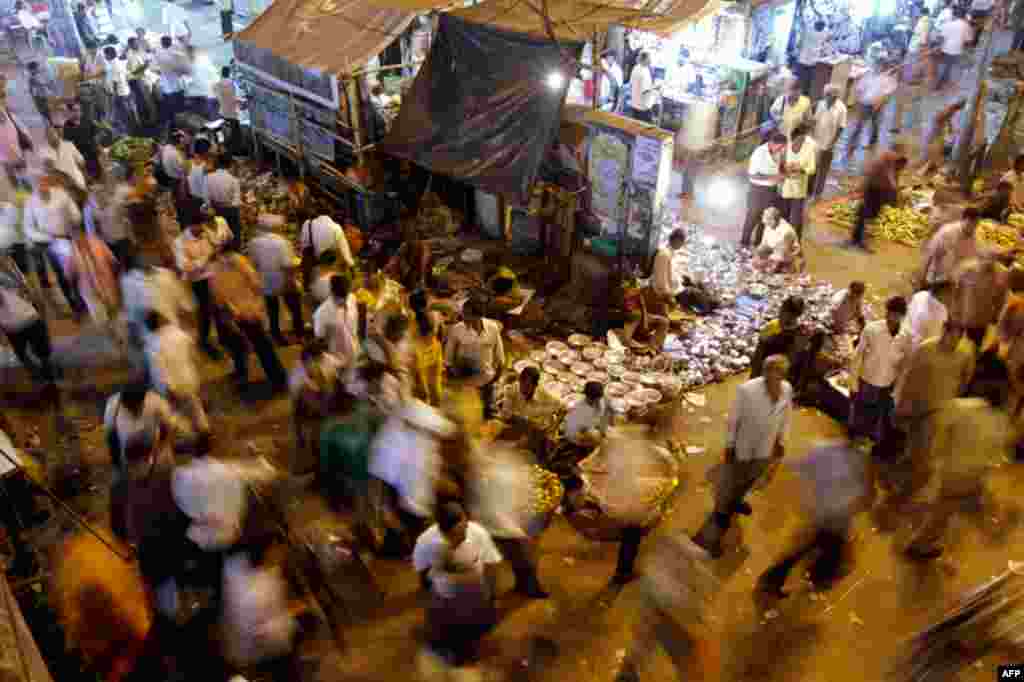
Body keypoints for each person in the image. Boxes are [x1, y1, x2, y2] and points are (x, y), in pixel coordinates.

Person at [692, 354, 792, 558]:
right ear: (765, 372)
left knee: (751, 478)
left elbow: (786, 416)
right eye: (771, 372)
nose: (775, 377)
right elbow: (733, 420)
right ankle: (717, 523)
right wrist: (729, 445)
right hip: (743, 446)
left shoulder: (786, 390)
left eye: (779, 373)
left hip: (764, 449)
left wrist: (781, 440)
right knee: (732, 483)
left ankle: (737, 500)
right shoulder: (747, 390)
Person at [904, 389, 1014, 560]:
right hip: (966, 476)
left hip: (953, 471)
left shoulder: (961, 406)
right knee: (944, 511)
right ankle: (919, 545)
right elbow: (994, 456)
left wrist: (937, 456)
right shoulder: (1001, 421)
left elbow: (940, 430)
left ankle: (922, 540)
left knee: (947, 508)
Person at [756, 440, 868, 597]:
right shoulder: (852, 459)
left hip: (826, 518)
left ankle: (774, 579)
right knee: (819, 552)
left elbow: (801, 466)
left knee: (808, 550)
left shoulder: (827, 450)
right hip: (830, 520)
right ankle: (775, 580)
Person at [613, 531, 720, 682]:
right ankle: (628, 673)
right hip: (666, 610)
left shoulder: (672, 547)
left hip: (658, 607)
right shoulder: (691, 556)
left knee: (643, 644)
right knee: (685, 659)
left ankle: (628, 673)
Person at [889, 319, 976, 500]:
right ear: (943, 331)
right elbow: (910, 379)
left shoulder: (964, 354)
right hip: (918, 407)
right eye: (952, 337)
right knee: (913, 447)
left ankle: (908, 488)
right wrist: (902, 407)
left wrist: (954, 401)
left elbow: (965, 380)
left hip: (939, 411)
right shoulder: (925, 349)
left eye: (958, 339)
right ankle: (903, 481)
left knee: (925, 453)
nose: (954, 343)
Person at [413, 502, 502, 668]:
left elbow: (492, 563)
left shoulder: (477, 533)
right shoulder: (429, 543)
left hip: (471, 597)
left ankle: (465, 650)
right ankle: (457, 654)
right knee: (454, 633)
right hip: (449, 600)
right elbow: (426, 575)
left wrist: (492, 595)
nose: (465, 533)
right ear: (444, 530)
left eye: (466, 527)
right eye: (460, 531)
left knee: (471, 629)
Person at [469, 445, 549, 598]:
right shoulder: (497, 467)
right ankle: (521, 588)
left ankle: (521, 586)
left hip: (498, 521)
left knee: (513, 558)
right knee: (513, 558)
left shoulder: (505, 465)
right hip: (495, 522)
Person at [209, 251, 288, 391]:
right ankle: (277, 379)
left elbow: (219, 298)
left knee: (245, 346)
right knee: (261, 346)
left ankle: (246, 377)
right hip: (247, 312)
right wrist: (257, 305)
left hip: (240, 313)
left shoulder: (216, 269)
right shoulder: (236, 262)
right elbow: (256, 285)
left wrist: (231, 311)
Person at [143, 311, 210, 448]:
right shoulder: (180, 334)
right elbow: (193, 355)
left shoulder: (152, 345)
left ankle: (190, 437)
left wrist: (166, 388)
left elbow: (158, 371)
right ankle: (204, 431)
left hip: (173, 385)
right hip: (190, 378)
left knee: (174, 413)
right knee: (194, 405)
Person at [23, 170, 85, 315]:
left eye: (45, 183)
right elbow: (28, 228)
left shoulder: (61, 194)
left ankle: (80, 298)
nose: (42, 187)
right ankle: (74, 305)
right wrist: (49, 237)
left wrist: (73, 222)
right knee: (61, 275)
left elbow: (75, 214)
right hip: (49, 244)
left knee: (74, 270)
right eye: (39, 185)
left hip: (68, 238)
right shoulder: (30, 202)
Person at [849, 296, 908, 441]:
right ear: (886, 312)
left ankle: (868, 437)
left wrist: (897, 390)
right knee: (860, 412)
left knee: (877, 414)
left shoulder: (905, 337)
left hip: (886, 385)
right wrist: (853, 383)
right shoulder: (872, 329)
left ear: (902, 316)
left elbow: (902, 365)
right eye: (890, 312)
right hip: (867, 381)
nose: (891, 317)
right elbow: (858, 357)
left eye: (896, 314)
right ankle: (855, 436)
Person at [104, 385, 181, 482]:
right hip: (128, 463)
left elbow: (169, 427)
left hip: (158, 456)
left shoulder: (155, 401)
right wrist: (118, 467)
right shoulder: (113, 406)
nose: (134, 412)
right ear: (123, 402)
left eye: (136, 408)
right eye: (130, 409)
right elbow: (110, 439)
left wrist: (158, 450)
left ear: (143, 400)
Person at [247, 214, 303, 345]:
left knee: (273, 311)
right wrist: (291, 282)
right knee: (294, 308)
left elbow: (253, 264)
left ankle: (276, 336)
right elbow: (287, 265)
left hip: (265, 280)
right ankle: (299, 334)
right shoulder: (282, 242)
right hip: (283, 279)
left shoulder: (254, 242)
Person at [445, 298, 505, 416]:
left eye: (467, 314)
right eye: (463, 313)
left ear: (478, 315)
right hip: (464, 382)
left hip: (486, 379)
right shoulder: (457, 329)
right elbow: (448, 358)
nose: (463, 317)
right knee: (465, 412)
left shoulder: (492, 328)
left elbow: (500, 356)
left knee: (485, 409)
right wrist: (454, 377)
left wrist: (496, 376)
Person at [174, 218, 224, 357]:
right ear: (191, 225)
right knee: (205, 312)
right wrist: (206, 258)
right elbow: (184, 266)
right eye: (200, 224)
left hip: (214, 275)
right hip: (198, 281)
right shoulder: (179, 242)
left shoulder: (206, 232)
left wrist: (217, 249)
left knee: (219, 309)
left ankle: (223, 338)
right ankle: (204, 341)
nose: (204, 227)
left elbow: (217, 246)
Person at [850, 149, 907, 251]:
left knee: (869, 215)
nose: (900, 170)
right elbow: (889, 178)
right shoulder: (886, 161)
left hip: (878, 191)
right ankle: (859, 241)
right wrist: (860, 190)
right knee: (865, 215)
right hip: (872, 189)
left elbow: (895, 179)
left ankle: (858, 239)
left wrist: (896, 195)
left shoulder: (895, 166)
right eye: (900, 167)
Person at [0, 283, 57, 384]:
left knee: (25, 353)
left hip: (21, 322)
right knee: (37, 352)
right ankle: (42, 373)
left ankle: (40, 373)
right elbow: (32, 294)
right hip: (26, 320)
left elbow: (31, 293)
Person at [651, 228, 717, 314]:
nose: (682, 244)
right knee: (694, 292)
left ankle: (713, 302)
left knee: (698, 283)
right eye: (681, 242)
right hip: (672, 293)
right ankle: (709, 309)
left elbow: (672, 273)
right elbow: (661, 281)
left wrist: (684, 278)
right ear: (676, 240)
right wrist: (669, 297)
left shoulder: (670, 252)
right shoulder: (664, 255)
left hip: (675, 286)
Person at [740, 133, 785, 247]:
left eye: (782, 147)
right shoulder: (759, 153)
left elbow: (777, 167)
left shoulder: (778, 152)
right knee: (752, 218)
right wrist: (773, 177)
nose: (781, 149)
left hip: (771, 190)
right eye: (779, 147)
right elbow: (752, 176)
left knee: (766, 219)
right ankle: (744, 243)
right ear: (771, 143)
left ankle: (758, 243)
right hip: (758, 191)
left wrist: (782, 172)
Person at [953, 257, 1009, 348]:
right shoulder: (967, 268)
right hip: (963, 315)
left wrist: (996, 315)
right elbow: (956, 289)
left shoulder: (1001, 274)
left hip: (980, 320)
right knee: (956, 340)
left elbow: (1001, 299)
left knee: (974, 345)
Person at [846, 61, 898, 156]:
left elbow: (886, 95)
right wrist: (859, 101)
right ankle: (852, 144)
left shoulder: (888, 79)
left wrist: (878, 104)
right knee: (859, 125)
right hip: (865, 104)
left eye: (882, 66)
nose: (879, 68)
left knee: (874, 125)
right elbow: (859, 89)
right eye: (879, 66)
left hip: (877, 106)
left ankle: (872, 143)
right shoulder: (868, 76)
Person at [749, 295, 805, 379]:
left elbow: (757, 360)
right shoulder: (802, 337)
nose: (779, 313)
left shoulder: (771, 335)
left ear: (786, 313)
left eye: (782, 310)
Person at [313, 273, 360, 368]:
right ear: (332, 292)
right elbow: (320, 339)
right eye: (340, 297)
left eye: (345, 296)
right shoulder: (321, 314)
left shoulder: (352, 298)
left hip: (355, 352)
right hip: (337, 359)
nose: (343, 300)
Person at [924, 208, 981, 285]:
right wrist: (923, 277)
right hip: (935, 277)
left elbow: (969, 263)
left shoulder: (974, 239)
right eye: (970, 224)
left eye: (975, 225)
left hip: (951, 282)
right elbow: (931, 253)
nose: (972, 228)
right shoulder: (947, 231)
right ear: (963, 219)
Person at [299, 213, 355, 290]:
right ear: (331, 215)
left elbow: (303, 245)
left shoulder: (307, 224)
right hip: (332, 269)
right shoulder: (336, 227)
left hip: (313, 269)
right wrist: (352, 267)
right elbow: (345, 251)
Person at [779, 123, 817, 237]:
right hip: (786, 187)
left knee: (796, 219)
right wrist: (785, 169)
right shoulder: (786, 147)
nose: (801, 142)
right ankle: (783, 240)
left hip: (800, 189)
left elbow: (812, 169)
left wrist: (801, 170)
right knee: (784, 215)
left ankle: (796, 242)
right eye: (799, 139)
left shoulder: (809, 148)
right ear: (793, 138)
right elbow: (780, 165)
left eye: (803, 139)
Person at [409, 289, 444, 406]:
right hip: (435, 349)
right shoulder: (435, 314)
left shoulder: (412, 318)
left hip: (419, 354)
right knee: (435, 385)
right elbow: (441, 332)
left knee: (422, 390)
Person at [811, 84, 847, 197]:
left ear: (835, 96)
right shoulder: (820, 104)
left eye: (828, 95)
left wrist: (833, 143)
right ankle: (810, 189)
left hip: (828, 143)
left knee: (823, 169)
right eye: (825, 94)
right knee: (812, 166)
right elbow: (814, 121)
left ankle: (818, 192)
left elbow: (841, 128)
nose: (826, 97)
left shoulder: (841, 109)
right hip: (815, 141)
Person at [38, 125, 87, 193]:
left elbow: (81, 162)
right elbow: (50, 168)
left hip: (77, 183)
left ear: (57, 134)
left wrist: (85, 178)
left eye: (52, 133)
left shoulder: (69, 145)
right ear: (46, 138)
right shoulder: (43, 151)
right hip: (60, 188)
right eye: (48, 135)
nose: (50, 136)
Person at [155, 36, 188, 133]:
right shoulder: (177, 54)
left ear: (162, 44)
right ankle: (182, 129)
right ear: (171, 43)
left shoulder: (159, 54)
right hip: (178, 87)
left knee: (171, 110)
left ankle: (174, 129)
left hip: (167, 88)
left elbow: (157, 69)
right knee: (180, 109)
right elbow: (183, 70)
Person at [754, 206, 801, 273]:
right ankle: (772, 266)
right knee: (759, 254)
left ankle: (786, 267)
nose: (763, 222)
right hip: (774, 252)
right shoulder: (769, 225)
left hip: (785, 255)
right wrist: (759, 258)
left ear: (773, 220)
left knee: (771, 269)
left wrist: (769, 262)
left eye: (766, 220)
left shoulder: (786, 231)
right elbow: (763, 244)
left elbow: (784, 253)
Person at [935, 8, 972, 89]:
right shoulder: (966, 26)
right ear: (964, 16)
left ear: (954, 15)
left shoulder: (948, 24)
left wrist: (938, 47)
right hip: (957, 50)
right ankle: (944, 81)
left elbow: (941, 37)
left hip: (945, 48)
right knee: (950, 66)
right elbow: (968, 40)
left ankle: (940, 82)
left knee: (944, 65)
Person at [102, 45, 136, 135]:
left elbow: (115, 82)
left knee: (123, 115)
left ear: (109, 55)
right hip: (125, 91)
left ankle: (127, 132)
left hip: (119, 94)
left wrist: (114, 95)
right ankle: (130, 130)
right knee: (126, 113)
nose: (105, 57)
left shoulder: (114, 65)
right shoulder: (118, 62)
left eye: (105, 55)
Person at [124, 37, 152, 126]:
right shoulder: (130, 55)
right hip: (136, 81)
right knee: (143, 101)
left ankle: (148, 120)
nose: (137, 45)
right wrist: (145, 65)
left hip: (142, 79)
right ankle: (147, 122)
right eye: (135, 43)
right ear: (130, 45)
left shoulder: (138, 52)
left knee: (146, 101)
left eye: (137, 43)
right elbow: (134, 72)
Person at [797, 20, 828, 94]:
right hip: (805, 61)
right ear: (816, 25)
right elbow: (800, 43)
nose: (821, 29)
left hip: (811, 62)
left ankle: (804, 94)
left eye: (822, 28)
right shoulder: (808, 31)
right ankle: (801, 93)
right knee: (803, 80)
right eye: (820, 27)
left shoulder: (823, 33)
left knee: (807, 81)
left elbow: (823, 45)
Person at [213, 67, 239, 151]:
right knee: (236, 135)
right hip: (232, 114)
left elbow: (216, 96)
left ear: (221, 73)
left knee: (221, 132)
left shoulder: (216, 84)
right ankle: (234, 151)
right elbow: (234, 98)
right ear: (229, 73)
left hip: (222, 113)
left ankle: (222, 148)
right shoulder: (232, 83)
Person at [628, 52, 658, 123]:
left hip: (634, 103)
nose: (651, 60)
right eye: (649, 58)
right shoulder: (644, 72)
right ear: (645, 59)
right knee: (644, 127)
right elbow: (645, 90)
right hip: (642, 106)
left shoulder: (636, 67)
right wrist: (655, 88)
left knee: (635, 125)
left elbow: (631, 83)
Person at [26, 61, 52, 126]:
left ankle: (49, 122)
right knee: (43, 110)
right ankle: (48, 123)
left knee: (45, 109)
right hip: (38, 96)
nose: (38, 69)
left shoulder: (36, 76)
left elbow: (45, 84)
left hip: (41, 96)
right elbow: (31, 88)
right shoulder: (32, 78)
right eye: (37, 67)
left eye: (37, 67)